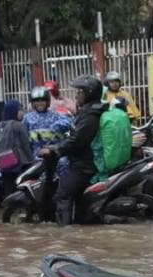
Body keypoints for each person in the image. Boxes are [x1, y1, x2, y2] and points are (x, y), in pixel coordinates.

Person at [38, 75, 107, 225]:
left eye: (79, 92)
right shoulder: (88, 111)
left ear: (88, 93)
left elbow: (77, 141)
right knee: (77, 197)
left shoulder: (90, 115)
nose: (76, 96)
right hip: (83, 161)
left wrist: (55, 149)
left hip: (85, 166)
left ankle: (66, 234)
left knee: (62, 195)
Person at [0, 99, 33, 198]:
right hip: (17, 161)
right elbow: (25, 144)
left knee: (8, 183)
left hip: (3, 159)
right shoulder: (18, 125)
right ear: (14, 111)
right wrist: (31, 160)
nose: (22, 113)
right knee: (18, 183)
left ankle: (8, 204)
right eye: (20, 110)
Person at [23, 86, 72, 159]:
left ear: (48, 102)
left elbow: (69, 122)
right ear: (32, 103)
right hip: (36, 157)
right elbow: (23, 137)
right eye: (37, 101)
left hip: (55, 156)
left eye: (42, 100)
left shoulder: (55, 116)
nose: (40, 103)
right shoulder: (27, 118)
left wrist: (57, 126)